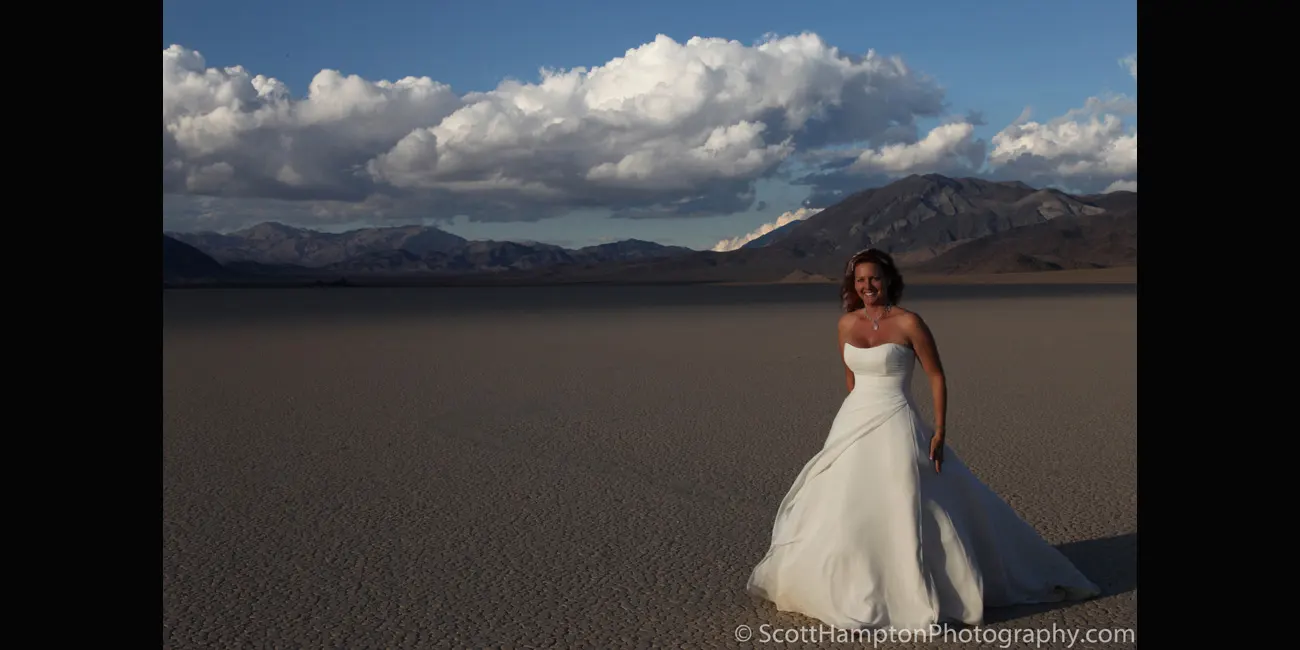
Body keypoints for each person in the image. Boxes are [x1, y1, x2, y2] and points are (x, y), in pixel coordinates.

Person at [745, 247, 1100, 632]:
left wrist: (940, 430)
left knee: (905, 498)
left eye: (874, 278)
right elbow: (850, 379)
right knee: (847, 501)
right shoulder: (846, 324)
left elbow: (936, 376)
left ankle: (917, 584)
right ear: (853, 284)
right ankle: (850, 584)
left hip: (897, 418)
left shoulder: (909, 322)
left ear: (889, 279)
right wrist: (849, 420)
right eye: (860, 280)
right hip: (853, 421)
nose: (868, 286)